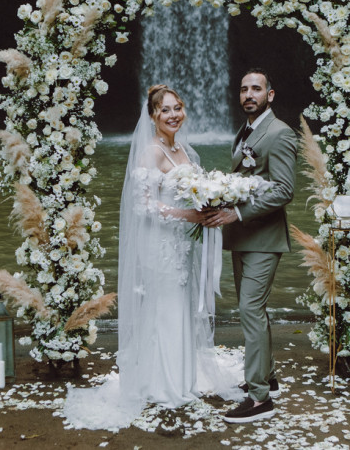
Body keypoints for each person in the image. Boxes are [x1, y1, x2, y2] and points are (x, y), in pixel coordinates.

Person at [64, 85, 242, 430]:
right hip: (160, 246)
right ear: (152, 116)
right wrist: (189, 215)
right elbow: (144, 206)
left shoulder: (182, 149)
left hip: (181, 245)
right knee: (165, 307)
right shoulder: (151, 152)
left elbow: (190, 193)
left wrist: (209, 202)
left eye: (178, 108)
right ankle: (162, 384)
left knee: (180, 307)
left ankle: (182, 377)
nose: (173, 115)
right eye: (165, 110)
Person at [203, 68, 297, 423]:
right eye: (244, 89)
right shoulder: (246, 130)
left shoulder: (280, 132)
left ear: (270, 95)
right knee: (254, 309)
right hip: (243, 236)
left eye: (256, 89)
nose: (248, 95)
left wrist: (237, 213)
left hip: (264, 237)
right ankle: (268, 379)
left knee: (250, 310)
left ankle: (259, 400)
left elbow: (284, 189)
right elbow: (247, 177)